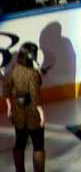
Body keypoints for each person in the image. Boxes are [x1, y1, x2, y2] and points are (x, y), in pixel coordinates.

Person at [4, 42, 45, 172]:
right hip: (33, 117)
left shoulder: (13, 70)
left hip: (18, 114)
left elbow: (6, 88)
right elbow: (35, 99)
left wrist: (9, 106)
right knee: (38, 146)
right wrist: (42, 115)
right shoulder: (33, 74)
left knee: (19, 143)